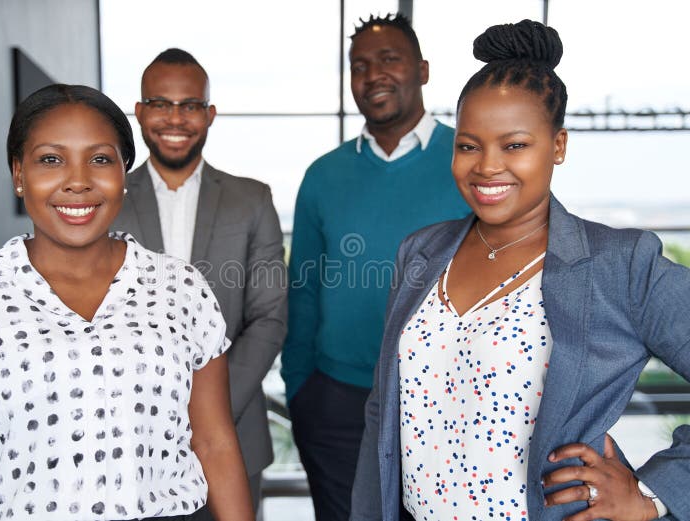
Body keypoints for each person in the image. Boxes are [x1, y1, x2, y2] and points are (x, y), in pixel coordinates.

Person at [351, 19, 690, 521]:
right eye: (468, 145)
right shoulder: (421, 253)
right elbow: (383, 415)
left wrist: (654, 495)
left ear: (557, 146)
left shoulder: (619, 265)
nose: (487, 166)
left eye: (514, 145)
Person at [0, 84, 254, 521]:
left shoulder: (182, 289)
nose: (78, 180)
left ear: (124, 173)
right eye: (50, 159)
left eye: (100, 159)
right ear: (18, 175)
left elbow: (214, 444)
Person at [281, 12, 470, 521]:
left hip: (448, 400)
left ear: (423, 70)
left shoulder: (470, 159)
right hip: (337, 404)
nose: (374, 75)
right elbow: (303, 289)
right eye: (359, 65)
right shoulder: (322, 176)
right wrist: (301, 391)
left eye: (389, 59)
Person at [114, 48, 287, 518]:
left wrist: (207, 413)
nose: (175, 118)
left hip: (233, 433)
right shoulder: (106, 200)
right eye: (160, 103)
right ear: (141, 111)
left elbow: (269, 317)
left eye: (189, 105)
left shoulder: (251, 200)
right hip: (126, 441)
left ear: (209, 114)